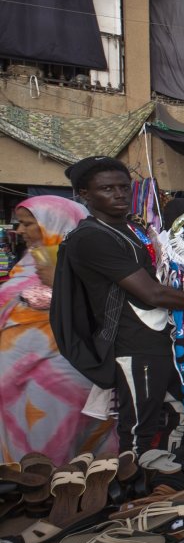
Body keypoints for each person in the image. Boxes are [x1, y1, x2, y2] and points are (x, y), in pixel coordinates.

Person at [52, 156, 184, 456]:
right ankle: (135, 492)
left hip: (158, 339)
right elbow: (151, 293)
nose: (119, 194)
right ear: (84, 194)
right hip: (132, 344)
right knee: (138, 428)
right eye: (107, 189)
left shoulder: (130, 230)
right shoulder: (92, 238)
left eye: (123, 187)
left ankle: (170, 476)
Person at [1, 196, 117, 463]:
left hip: (63, 380)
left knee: (59, 452)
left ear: (55, 224)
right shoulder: (27, 266)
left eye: (28, 224)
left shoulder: (90, 265)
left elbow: (105, 313)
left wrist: (59, 282)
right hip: (15, 386)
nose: (19, 231)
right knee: (27, 457)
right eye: (19, 223)